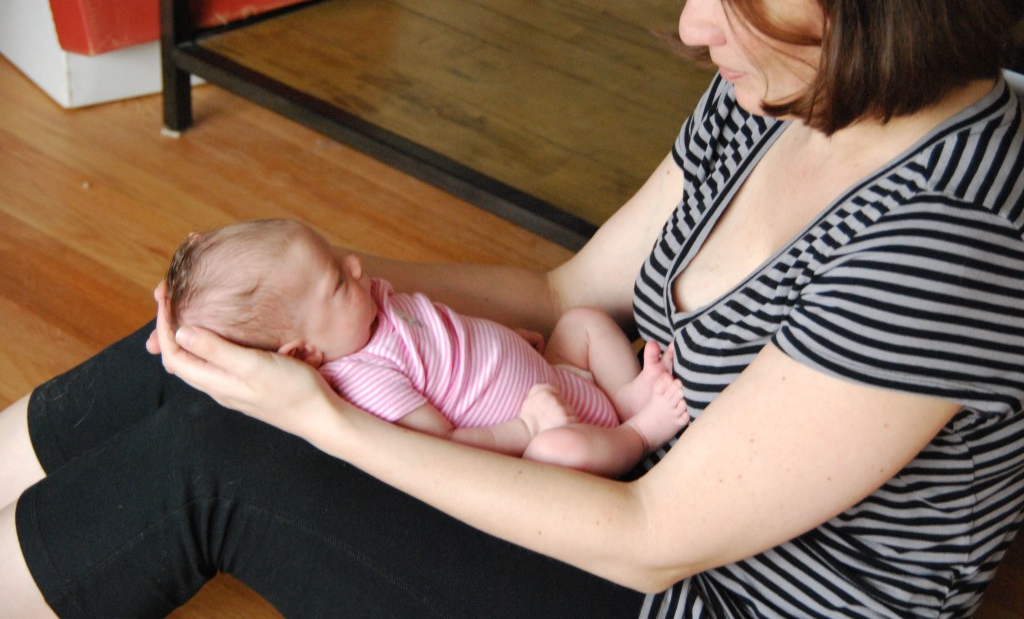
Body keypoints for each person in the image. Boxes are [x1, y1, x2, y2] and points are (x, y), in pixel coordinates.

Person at [2, 0, 1023, 617]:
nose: (690, 25)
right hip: (608, 480)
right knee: (212, 347)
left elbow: (653, 539)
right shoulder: (788, 88)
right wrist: (300, 287)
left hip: (690, 588)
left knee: (218, 456)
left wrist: (323, 415)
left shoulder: (950, 237)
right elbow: (565, 294)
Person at [164, 218, 689, 476]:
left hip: (552, 376)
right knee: (558, 453)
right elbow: (447, 446)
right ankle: (638, 434)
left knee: (582, 323)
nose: (356, 266)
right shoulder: (367, 379)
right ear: (304, 355)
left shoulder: (368, 307)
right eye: (338, 281)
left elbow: (445, 332)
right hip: (552, 428)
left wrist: (512, 345)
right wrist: (527, 429)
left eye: (339, 258)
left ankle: (626, 395)